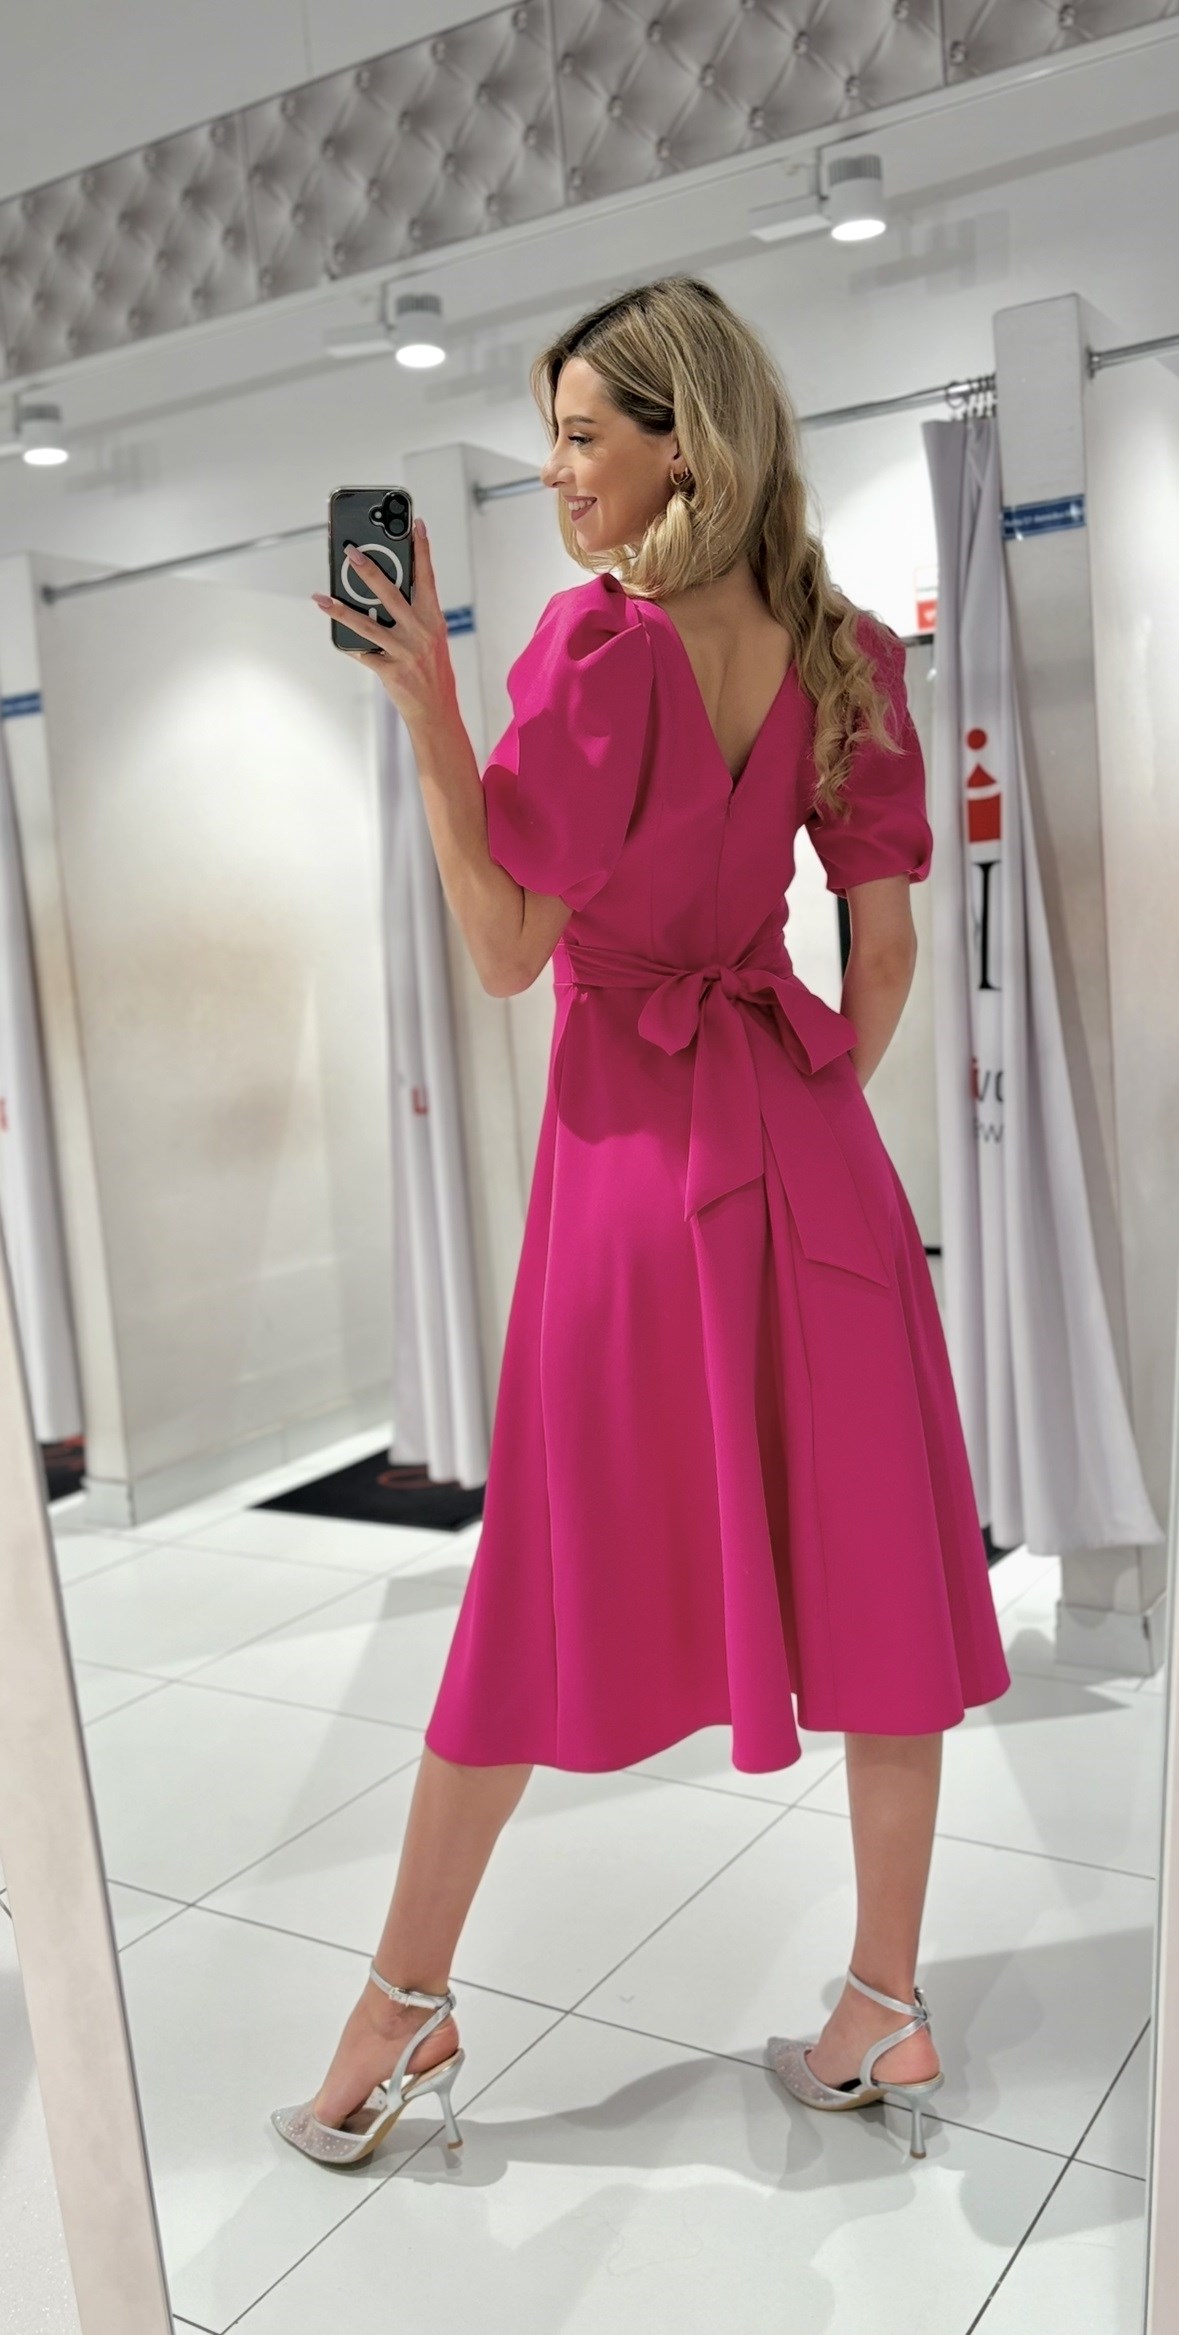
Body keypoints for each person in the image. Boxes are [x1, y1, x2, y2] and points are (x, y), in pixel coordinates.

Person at [275, 275, 1011, 2171]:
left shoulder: (597, 652)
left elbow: (508, 949)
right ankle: (886, 2006)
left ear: (688, 445)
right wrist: (802, 1100)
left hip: (629, 1167)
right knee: (879, 1570)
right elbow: (884, 951)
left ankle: (401, 2008)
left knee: (536, 1584)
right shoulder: (845, 650)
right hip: (811, 1152)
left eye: (584, 435)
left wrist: (430, 719)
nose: (557, 472)